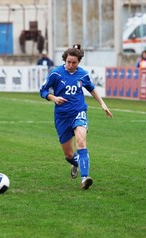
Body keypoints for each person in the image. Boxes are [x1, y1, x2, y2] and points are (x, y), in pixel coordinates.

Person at [40, 44, 113, 190]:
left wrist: (103, 104)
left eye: (74, 63)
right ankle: (75, 163)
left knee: (81, 142)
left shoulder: (83, 74)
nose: (71, 65)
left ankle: (85, 178)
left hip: (79, 112)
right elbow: (42, 91)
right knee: (68, 155)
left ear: (79, 62)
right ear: (64, 60)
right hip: (62, 117)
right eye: (68, 62)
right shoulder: (56, 73)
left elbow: (92, 89)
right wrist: (53, 98)